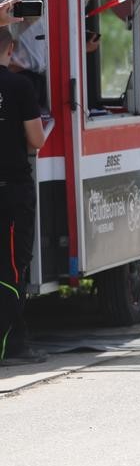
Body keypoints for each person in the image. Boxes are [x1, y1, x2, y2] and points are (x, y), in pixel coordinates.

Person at [0, 25, 46, 365]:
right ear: (11, 47)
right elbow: (37, 139)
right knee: (14, 267)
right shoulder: (20, 86)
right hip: (12, 191)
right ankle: (13, 344)